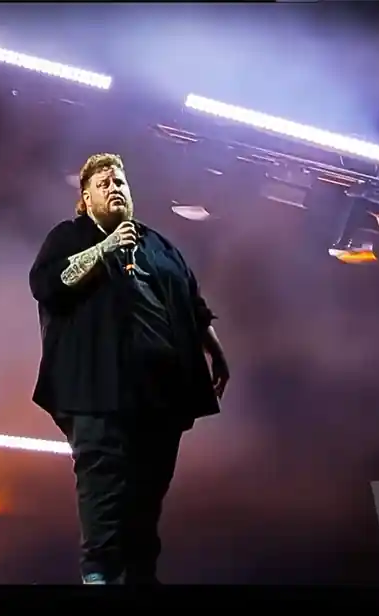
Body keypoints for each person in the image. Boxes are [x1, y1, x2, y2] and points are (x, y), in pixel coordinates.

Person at [29, 153, 230, 585]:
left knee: (146, 507)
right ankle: (98, 575)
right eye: (103, 183)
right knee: (103, 499)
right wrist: (104, 247)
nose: (115, 187)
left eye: (119, 181)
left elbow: (191, 299)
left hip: (161, 397)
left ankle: (141, 578)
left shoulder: (158, 245)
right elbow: (47, 285)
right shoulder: (69, 236)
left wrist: (214, 347)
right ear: (85, 198)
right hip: (98, 392)